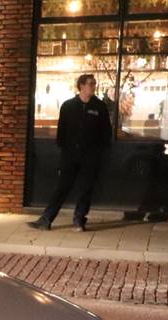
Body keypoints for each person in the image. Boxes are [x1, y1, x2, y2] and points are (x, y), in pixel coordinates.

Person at [28, 74, 112, 232]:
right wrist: (64, 150)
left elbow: (106, 131)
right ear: (81, 85)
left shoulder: (99, 107)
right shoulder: (68, 106)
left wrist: (98, 151)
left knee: (86, 189)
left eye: (94, 84)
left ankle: (79, 220)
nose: (93, 86)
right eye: (90, 84)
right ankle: (46, 219)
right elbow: (62, 131)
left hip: (90, 156)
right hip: (70, 155)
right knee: (62, 188)